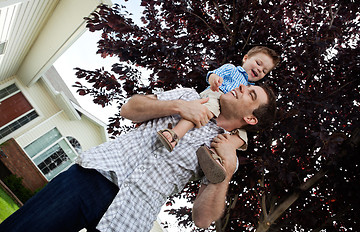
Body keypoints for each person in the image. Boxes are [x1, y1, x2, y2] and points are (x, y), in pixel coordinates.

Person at [0, 84, 276, 232]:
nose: (241, 87)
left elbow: (203, 220)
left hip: (132, 217)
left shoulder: (226, 151)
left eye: (250, 94)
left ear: (250, 118)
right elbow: (129, 109)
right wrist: (179, 106)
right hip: (94, 179)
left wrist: (226, 172)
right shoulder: (190, 96)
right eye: (246, 85)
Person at [157, 46, 280, 183]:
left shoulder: (250, 86)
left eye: (264, 71)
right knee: (201, 111)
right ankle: (175, 134)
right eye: (258, 63)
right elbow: (212, 74)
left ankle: (216, 157)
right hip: (215, 96)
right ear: (246, 58)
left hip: (226, 109)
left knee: (242, 136)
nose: (259, 70)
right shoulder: (232, 69)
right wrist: (214, 80)